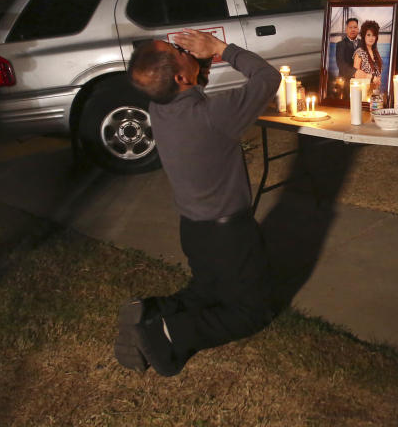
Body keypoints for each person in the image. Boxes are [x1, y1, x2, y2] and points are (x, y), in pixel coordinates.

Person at [115, 29, 281, 377]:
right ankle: (168, 333)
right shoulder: (216, 115)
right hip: (229, 233)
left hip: (192, 229)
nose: (182, 49)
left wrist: (197, 64)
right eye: (177, 51)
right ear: (179, 75)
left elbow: (189, 91)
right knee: (253, 310)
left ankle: (152, 310)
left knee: (207, 289)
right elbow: (268, 76)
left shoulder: (158, 108)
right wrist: (222, 48)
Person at [353, 20, 384, 90]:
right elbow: (355, 73)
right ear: (364, 36)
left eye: (374, 35)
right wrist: (372, 78)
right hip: (362, 93)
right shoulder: (359, 52)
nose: (371, 38)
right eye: (368, 35)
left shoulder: (376, 53)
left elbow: (378, 76)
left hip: (375, 93)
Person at [335, 17, 360, 84]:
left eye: (355, 27)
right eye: (350, 27)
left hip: (362, 81)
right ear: (346, 30)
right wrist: (356, 73)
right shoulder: (340, 44)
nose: (353, 30)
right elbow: (341, 64)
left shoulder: (363, 43)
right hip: (345, 82)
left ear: (358, 29)